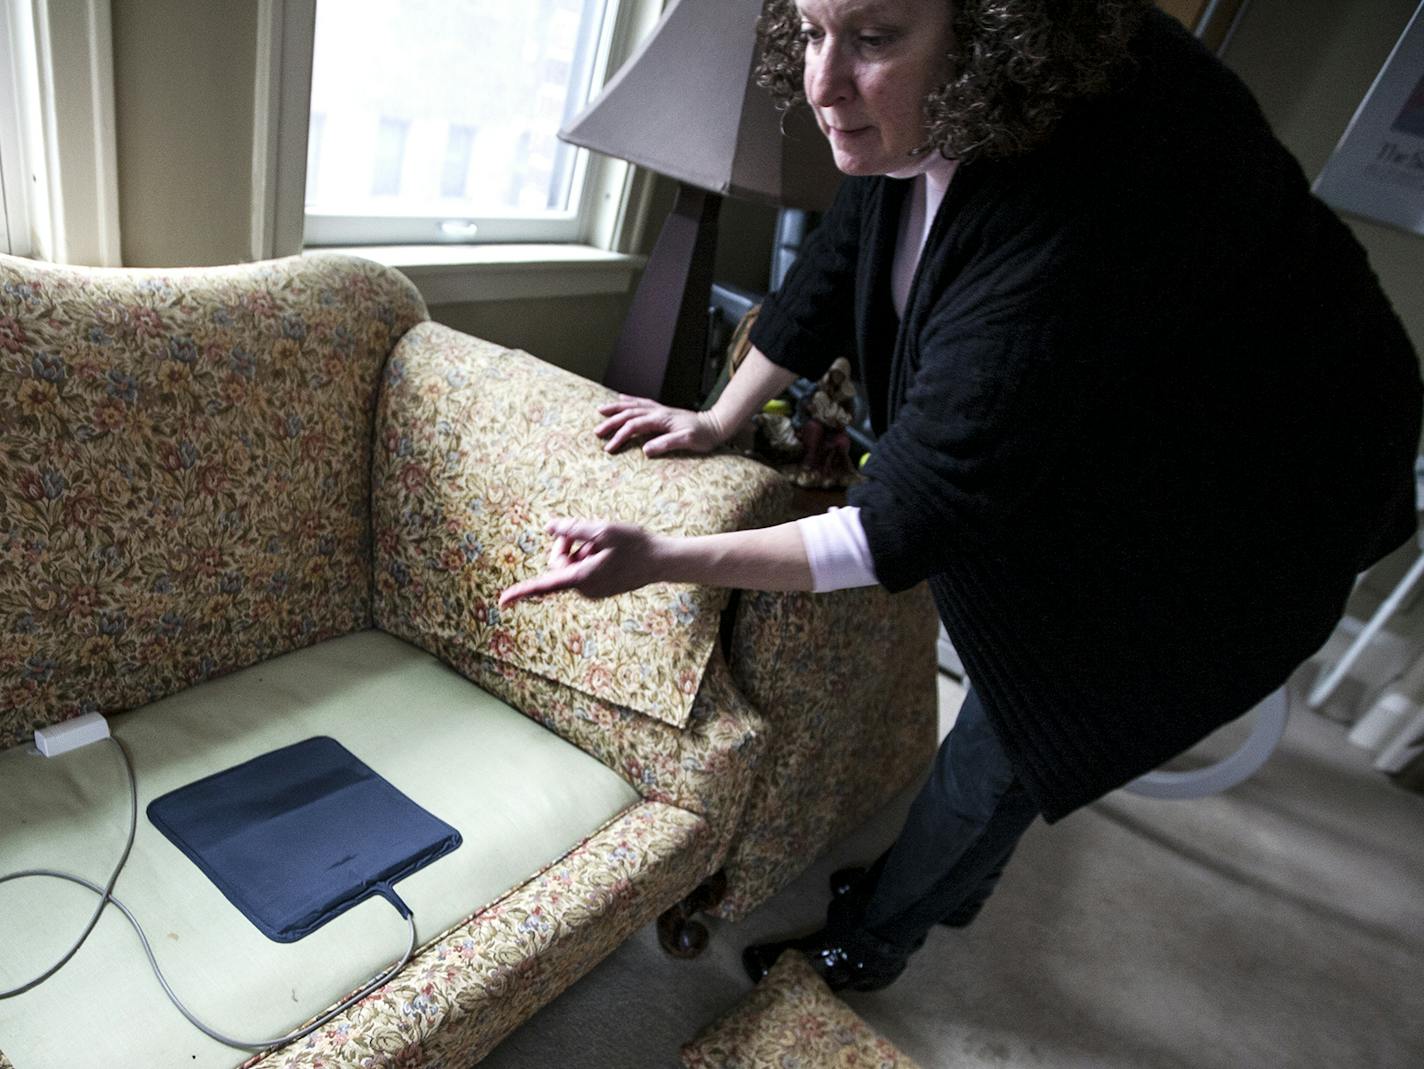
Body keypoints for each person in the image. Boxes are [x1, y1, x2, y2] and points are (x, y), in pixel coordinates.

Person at [501, 0, 1422, 993]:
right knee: (1001, 716)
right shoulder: (926, 115)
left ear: (989, 38)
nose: (819, 83)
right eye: (809, 30)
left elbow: (898, 519)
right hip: (1094, 422)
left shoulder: (1096, 185)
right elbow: (838, 256)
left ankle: (876, 940)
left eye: (870, 38)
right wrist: (721, 418)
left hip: (1227, 517)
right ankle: (961, 880)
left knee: (1008, 743)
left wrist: (657, 557)